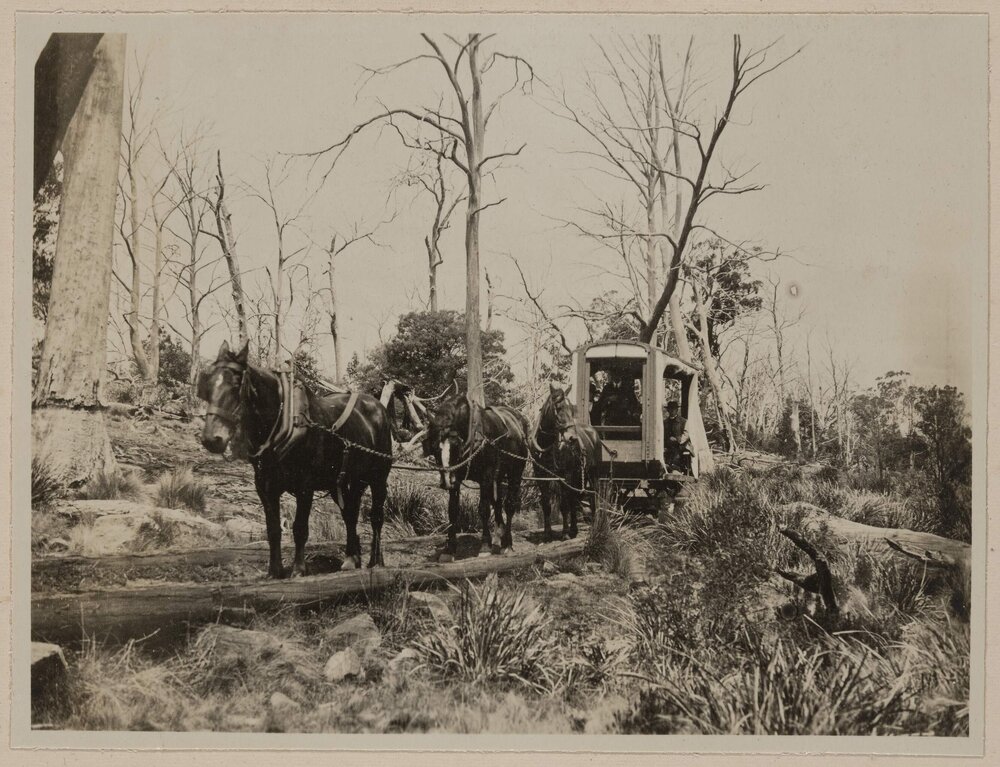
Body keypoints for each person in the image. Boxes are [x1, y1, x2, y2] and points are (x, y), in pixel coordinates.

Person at [663, 400, 689, 471]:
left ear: (677, 410)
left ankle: (675, 468)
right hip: (668, 445)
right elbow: (663, 435)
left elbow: (686, 434)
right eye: (670, 409)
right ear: (668, 410)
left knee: (676, 455)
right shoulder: (665, 422)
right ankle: (667, 468)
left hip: (680, 445)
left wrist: (678, 440)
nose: (672, 411)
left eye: (673, 409)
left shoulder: (683, 421)